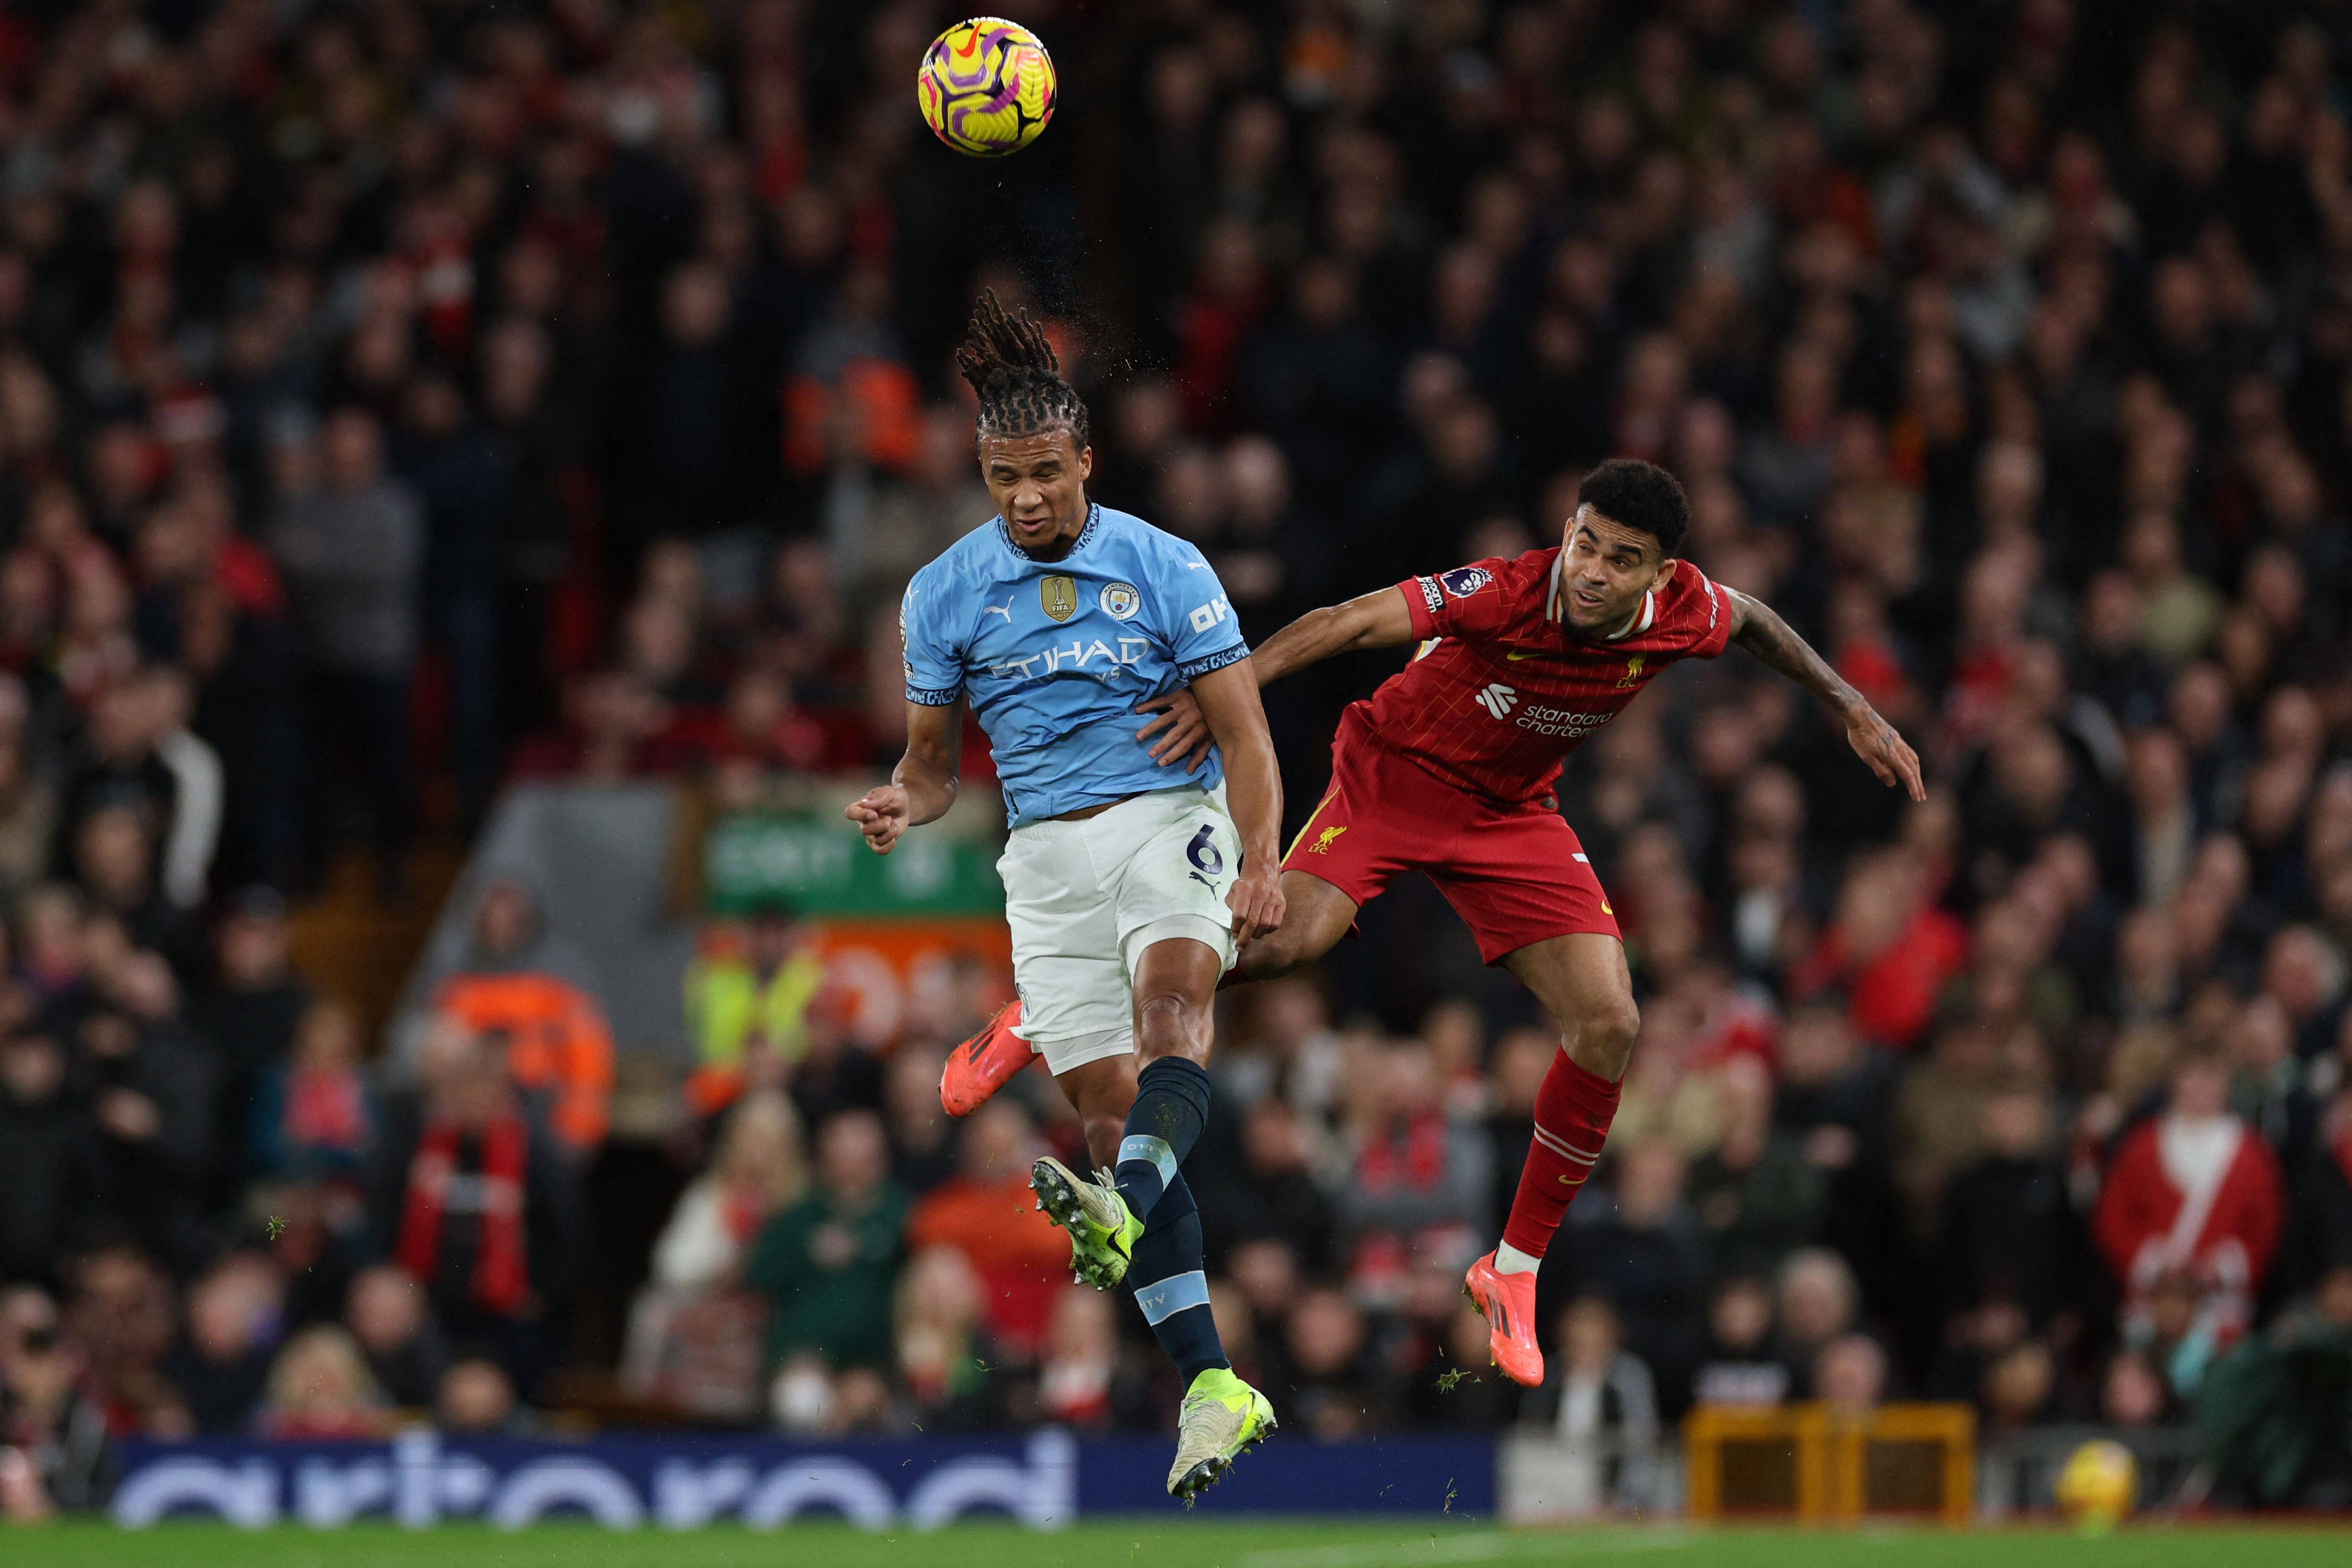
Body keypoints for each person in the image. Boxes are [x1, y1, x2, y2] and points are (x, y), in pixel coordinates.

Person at [947, 458, 1923, 1388]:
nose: (1591, 570)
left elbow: (1754, 621)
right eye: (1585, 543)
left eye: (1621, 559)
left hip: (1510, 814)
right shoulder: (1503, 589)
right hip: (1394, 777)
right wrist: (1224, 697)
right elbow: (1346, 621)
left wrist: (1852, 706)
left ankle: (1513, 1268)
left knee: (1613, 1022)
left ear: (1659, 575)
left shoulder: (1687, 610)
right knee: (1287, 942)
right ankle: (1044, 1004)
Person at [845, 293, 1285, 1498]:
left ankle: (1122, 1201)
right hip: (1040, 858)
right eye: (1002, 477)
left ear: (1084, 459)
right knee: (1103, 1118)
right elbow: (932, 773)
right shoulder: (941, 592)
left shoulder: (1162, 562)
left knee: (1169, 1022)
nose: (1025, 497)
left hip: (1165, 818)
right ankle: (1212, 1384)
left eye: (1045, 472)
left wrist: (1259, 855)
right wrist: (898, 801)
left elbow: (1246, 736)